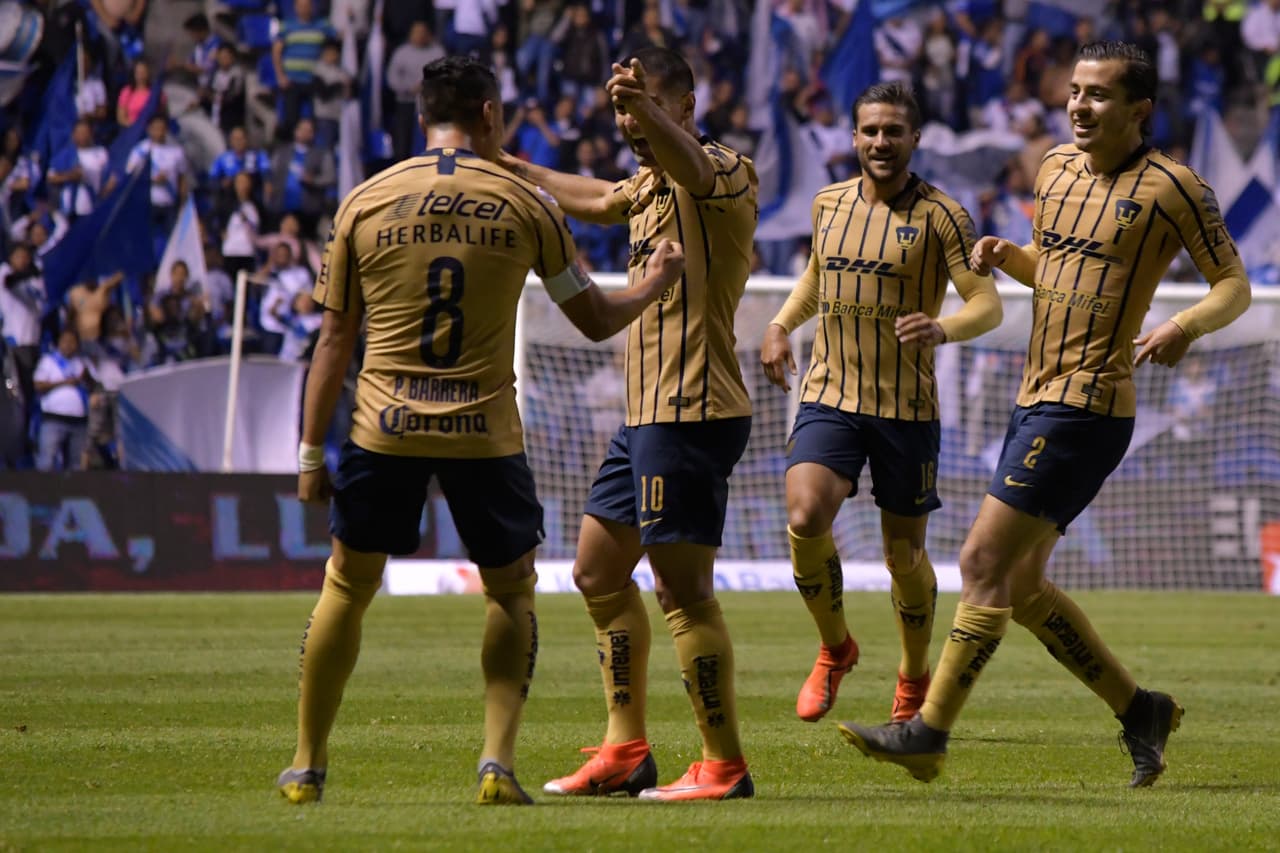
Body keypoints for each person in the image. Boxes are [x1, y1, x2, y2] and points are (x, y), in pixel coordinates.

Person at [837, 41, 1252, 788]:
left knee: (980, 563)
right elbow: (1056, 266)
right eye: (1075, 91)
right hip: (1036, 396)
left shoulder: (1175, 187)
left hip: (1089, 403)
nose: (1079, 105)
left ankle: (928, 731)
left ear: (1139, 110)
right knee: (1022, 585)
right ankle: (1141, 709)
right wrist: (1011, 258)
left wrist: (1184, 325)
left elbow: (1234, 285)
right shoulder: (1055, 167)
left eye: (1098, 94)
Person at [276, 56, 686, 807]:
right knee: (509, 591)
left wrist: (308, 454)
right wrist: (653, 285)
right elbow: (596, 320)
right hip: (484, 434)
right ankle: (496, 762)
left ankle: (306, 763)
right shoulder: (525, 205)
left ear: (422, 116)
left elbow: (333, 340)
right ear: (490, 115)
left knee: (347, 585)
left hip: (385, 427)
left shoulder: (365, 201)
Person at [497, 46, 759, 802]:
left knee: (682, 592)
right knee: (597, 573)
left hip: (693, 409)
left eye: (645, 106)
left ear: (685, 107)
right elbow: (594, 197)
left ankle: (723, 764)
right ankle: (625, 749)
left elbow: (696, 168)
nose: (628, 122)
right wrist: (510, 164)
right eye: (619, 109)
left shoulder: (725, 170)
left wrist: (642, 109)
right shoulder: (646, 187)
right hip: (645, 414)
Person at [759, 82, 1002, 726]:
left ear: (914, 138)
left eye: (893, 130)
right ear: (854, 137)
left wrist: (942, 328)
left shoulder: (943, 215)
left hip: (905, 408)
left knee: (904, 558)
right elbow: (818, 277)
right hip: (830, 394)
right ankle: (835, 647)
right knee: (806, 514)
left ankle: (914, 674)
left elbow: (987, 304)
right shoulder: (829, 204)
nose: (880, 142)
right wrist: (781, 324)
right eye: (870, 130)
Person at [34, 328, 94, 471]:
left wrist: (87, 377)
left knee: (76, 465)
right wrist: (65, 382)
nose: (68, 345)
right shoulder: (49, 361)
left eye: (72, 342)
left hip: (79, 421)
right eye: (65, 341)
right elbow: (38, 385)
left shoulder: (82, 362)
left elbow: (94, 386)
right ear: (59, 343)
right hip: (53, 419)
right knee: (47, 462)